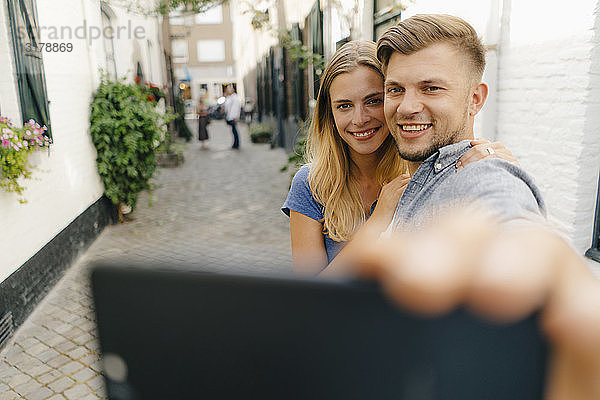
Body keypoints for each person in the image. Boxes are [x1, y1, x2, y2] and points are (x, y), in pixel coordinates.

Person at [344, 14, 600, 400]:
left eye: (431, 88)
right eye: (395, 90)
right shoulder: (409, 173)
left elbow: (510, 219)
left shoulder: (485, 173)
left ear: (475, 99)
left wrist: (542, 267)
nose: (407, 106)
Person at [282, 40, 518, 275]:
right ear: (330, 114)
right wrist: (377, 221)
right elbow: (310, 297)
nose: (359, 119)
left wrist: (501, 170)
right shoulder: (312, 184)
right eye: (344, 106)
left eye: (373, 101)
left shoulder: (422, 173)